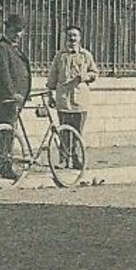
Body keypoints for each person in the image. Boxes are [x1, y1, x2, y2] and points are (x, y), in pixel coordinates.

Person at [0, 11, 32, 176]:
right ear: (7, 29)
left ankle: (2, 164)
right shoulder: (1, 48)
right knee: (7, 131)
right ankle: (3, 166)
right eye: (14, 31)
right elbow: (3, 73)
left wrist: (25, 93)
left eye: (20, 31)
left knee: (9, 131)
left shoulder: (13, 48)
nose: (17, 34)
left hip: (15, 98)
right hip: (5, 98)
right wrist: (13, 93)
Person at [47, 24, 99, 168]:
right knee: (63, 131)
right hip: (63, 100)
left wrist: (86, 76)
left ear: (80, 38)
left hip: (80, 101)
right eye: (69, 36)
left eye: (75, 36)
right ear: (65, 38)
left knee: (77, 132)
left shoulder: (86, 55)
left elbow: (95, 73)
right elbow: (52, 77)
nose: (72, 39)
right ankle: (63, 160)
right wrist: (50, 95)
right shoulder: (60, 56)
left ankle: (76, 159)